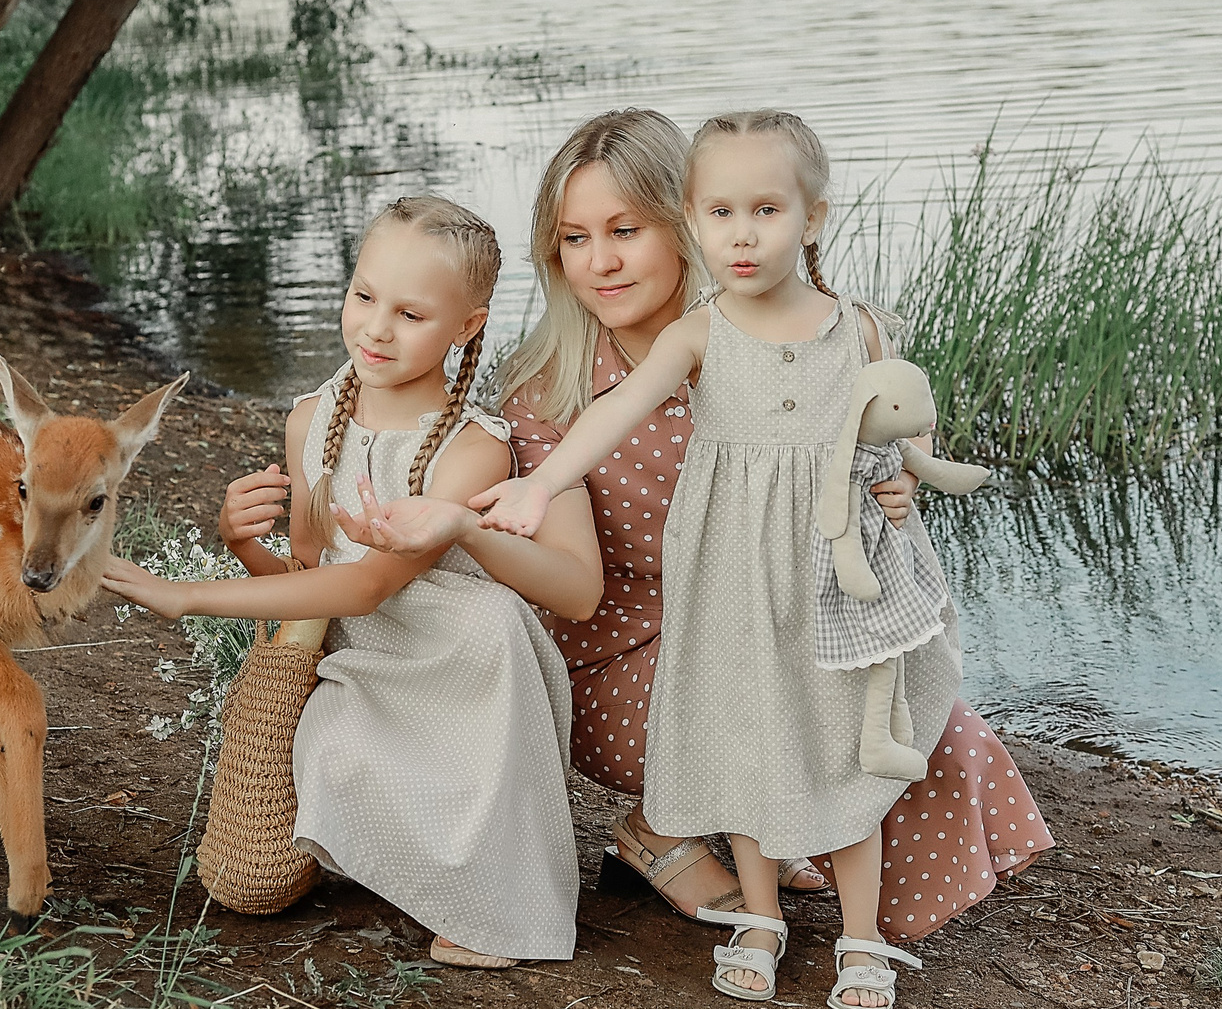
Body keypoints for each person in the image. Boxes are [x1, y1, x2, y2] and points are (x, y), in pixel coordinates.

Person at [352, 110, 1050, 965]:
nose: (599, 261)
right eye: (575, 238)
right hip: (625, 661)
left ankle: (780, 831)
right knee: (788, 714)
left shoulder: (776, 332)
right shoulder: (549, 391)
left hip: (771, 619)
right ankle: (666, 825)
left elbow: (881, 436)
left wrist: (901, 476)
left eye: (625, 230)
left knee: (925, 725)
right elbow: (566, 583)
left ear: (685, 220)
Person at [102, 197, 587, 969]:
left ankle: (486, 893)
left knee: (489, 628)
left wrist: (187, 593)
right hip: (367, 648)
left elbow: (365, 587)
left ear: (466, 326)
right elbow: (310, 576)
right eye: (364, 296)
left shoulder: (471, 450)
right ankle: (404, 854)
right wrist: (238, 543)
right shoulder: (311, 420)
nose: (376, 328)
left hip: (456, 658)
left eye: (411, 313)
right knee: (332, 754)